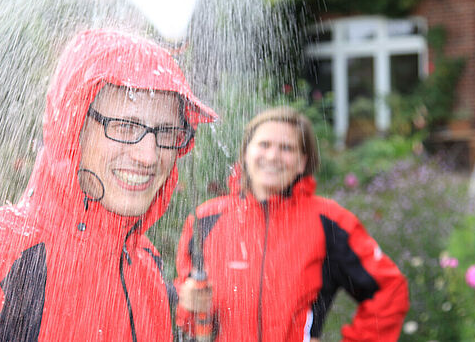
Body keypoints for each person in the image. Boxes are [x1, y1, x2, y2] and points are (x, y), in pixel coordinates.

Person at [0, 28, 217, 341]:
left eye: (167, 133)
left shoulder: (145, 269)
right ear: (72, 127)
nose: (149, 156)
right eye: (126, 126)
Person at [175, 106, 409, 341]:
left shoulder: (329, 222)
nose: (273, 156)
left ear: (302, 162)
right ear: (246, 152)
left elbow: (390, 290)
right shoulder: (205, 219)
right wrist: (189, 306)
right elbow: (189, 320)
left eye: (286, 148)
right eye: (264, 145)